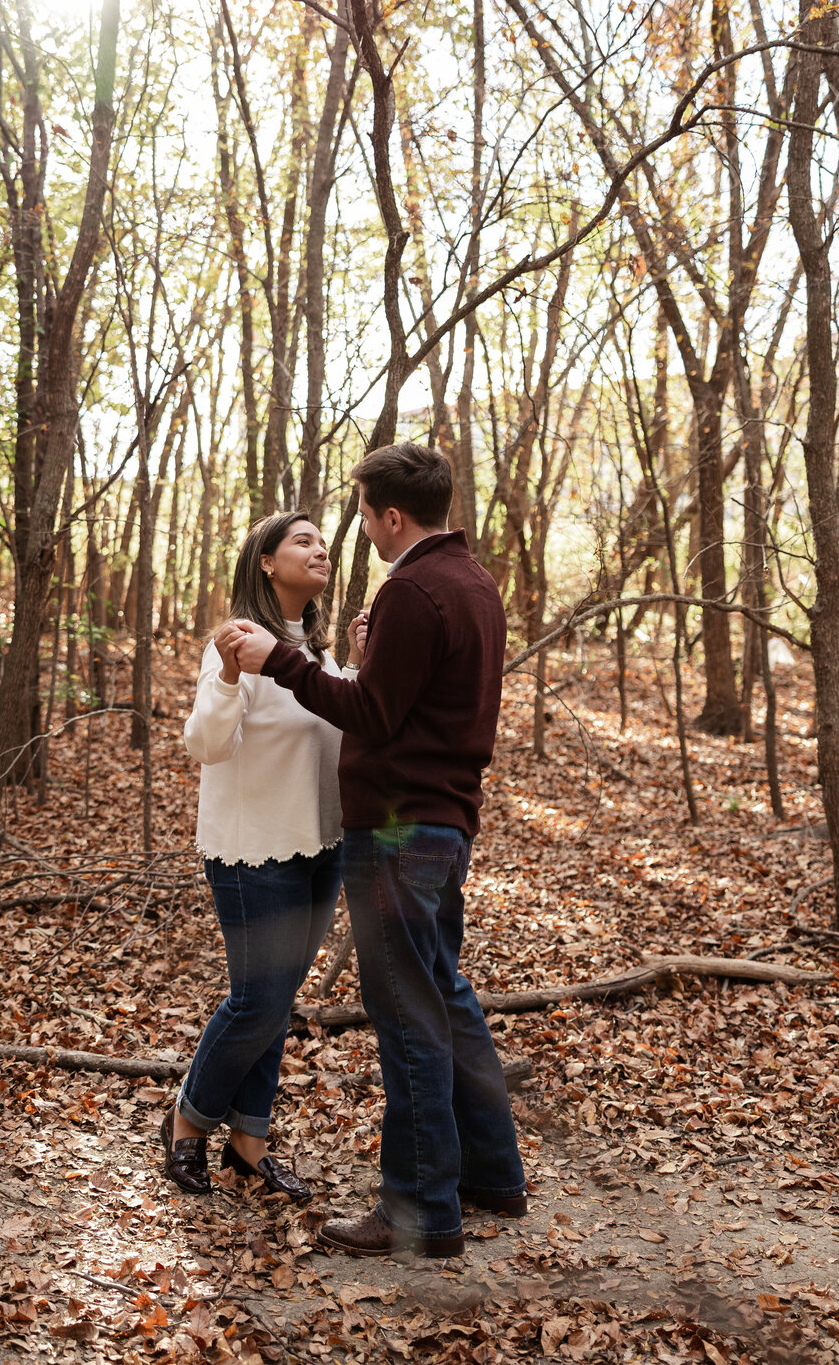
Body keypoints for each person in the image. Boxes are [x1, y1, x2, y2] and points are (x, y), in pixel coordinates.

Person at [228, 442, 526, 1258]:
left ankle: (420, 1211)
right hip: (443, 822)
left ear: (392, 516)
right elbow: (403, 698)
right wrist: (366, 660)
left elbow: (374, 718)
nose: (358, 531)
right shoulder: (473, 585)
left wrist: (279, 658)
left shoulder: (414, 588)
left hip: (398, 829)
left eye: (361, 516)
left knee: (408, 1018)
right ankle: (494, 1177)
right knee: (448, 998)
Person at [161, 510, 366, 1202]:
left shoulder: (316, 649)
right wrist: (222, 675)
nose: (320, 550)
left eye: (323, 542)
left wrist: (360, 669)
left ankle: (249, 1144)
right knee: (258, 1000)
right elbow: (205, 746)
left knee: (277, 1003)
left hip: (320, 847)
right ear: (267, 563)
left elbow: (337, 732)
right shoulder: (241, 642)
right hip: (254, 852)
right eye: (302, 541)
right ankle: (187, 1123)